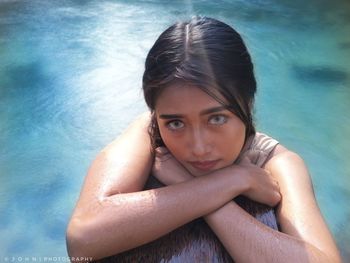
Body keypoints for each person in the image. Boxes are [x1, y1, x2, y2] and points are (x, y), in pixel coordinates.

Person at [66, 16, 341, 262]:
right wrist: (234, 180)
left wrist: (200, 193)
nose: (198, 147)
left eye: (217, 118)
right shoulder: (147, 134)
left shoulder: (275, 161)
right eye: (175, 122)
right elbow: (82, 240)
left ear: (247, 103)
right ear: (155, 114)